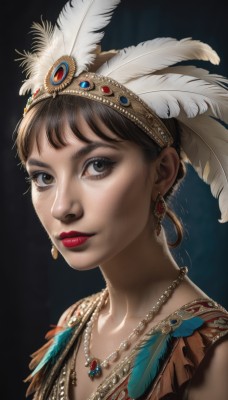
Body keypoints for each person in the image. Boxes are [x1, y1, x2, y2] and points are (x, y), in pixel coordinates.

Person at [15, 0, 228, 399]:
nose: (63, 207)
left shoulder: (215, 355)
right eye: (43, 177)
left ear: (162, 172)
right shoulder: (73, 323)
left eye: (96, 166)